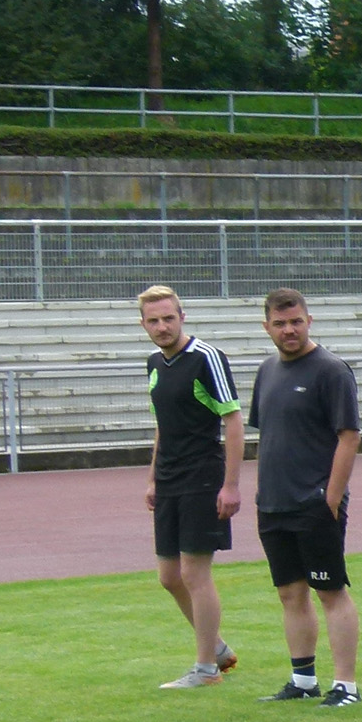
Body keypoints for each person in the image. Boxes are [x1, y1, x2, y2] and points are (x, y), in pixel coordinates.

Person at [248, 288, 361, 707]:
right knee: (290, 594)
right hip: (274, 503)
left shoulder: (331, 370)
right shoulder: (267, 371)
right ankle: (303, 679)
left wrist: (331, 497)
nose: (289, 330)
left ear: (308, 321)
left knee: (330, 591)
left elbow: (349, 436)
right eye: (280, 323)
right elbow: (269, 437)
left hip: (315, 504)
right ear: (267, 328)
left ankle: (345, 685)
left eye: (295, 321)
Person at [138, 284, 243, 689]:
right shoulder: (153, 363)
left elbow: (232, 420)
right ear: (143, 324)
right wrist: (152, 478)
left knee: (195, 573)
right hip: (169, 479)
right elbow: (162, 426)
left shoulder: (206, 358)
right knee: (169, 576)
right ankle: (215, 647)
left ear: (182, 316)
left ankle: (206, 670)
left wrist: (230, 484)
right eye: (154, 320)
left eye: (168, 317)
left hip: (203, 476)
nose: (162, 326)